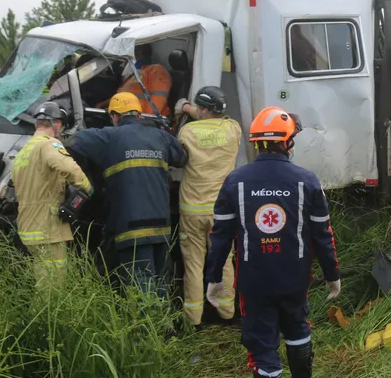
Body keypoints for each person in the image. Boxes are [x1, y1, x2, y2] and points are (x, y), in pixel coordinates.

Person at [206, 106, 340, 378]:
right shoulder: (307, 181)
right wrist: (332, 274)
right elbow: (322, 234)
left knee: (262, 344)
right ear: (287, 142)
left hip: (254, 282)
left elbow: (220, 236)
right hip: (295, 278)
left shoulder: (235, 181)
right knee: (297, 329)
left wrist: (213, 278)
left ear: (257, 144)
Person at [67, 92, 188, 298]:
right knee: (159, 279)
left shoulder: (107, 137)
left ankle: (147, 329)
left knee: (141, 282)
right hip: (161, 226)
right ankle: (164, 329)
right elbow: (182, 157)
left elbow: (71, 142)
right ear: (140, 115)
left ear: (114, 117)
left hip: (131, 227)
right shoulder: (160, 136)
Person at [173, 86, 243, 329]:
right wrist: (193, 108)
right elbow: (209, 116)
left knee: (193, 264)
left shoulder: (187, 132)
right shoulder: (233, 129)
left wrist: (183, 107)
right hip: (221, 211)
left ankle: (193, 319)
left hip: (192, 210)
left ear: (202, 109)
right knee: (224, 261)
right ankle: (226, 313)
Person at [11, 101, 92, 286]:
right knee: (53, 286)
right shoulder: (49, 145)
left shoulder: (24, 151)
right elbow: (69, 169)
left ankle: (39, 314)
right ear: (56, 124)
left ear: (36, 124)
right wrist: (88, 188)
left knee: (42, 278)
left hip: (29, 228)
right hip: (48, 226)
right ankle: (47, 315)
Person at [98, 44, 173, 118]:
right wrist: (102, 104)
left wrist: (142, 120)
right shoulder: (135, 74)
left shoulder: (156, 70)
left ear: (139, 53)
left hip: (143, 121)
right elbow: (122, 95)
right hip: (123, 118)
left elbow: (157, 102)